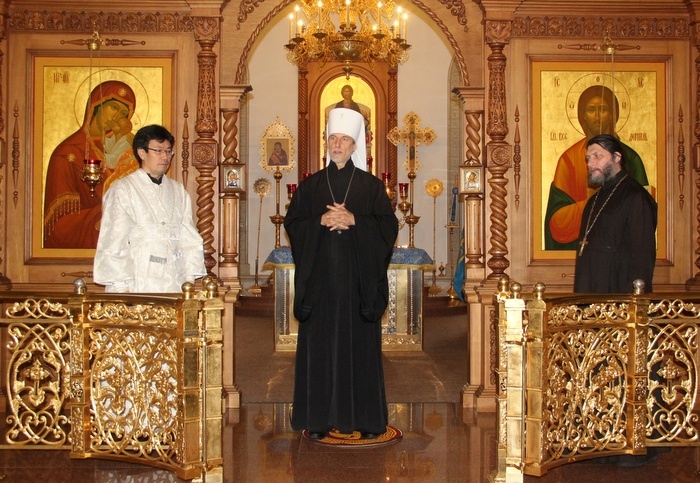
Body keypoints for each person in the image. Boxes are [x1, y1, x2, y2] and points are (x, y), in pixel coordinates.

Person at [284, 108, 398, 440]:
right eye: (332, 138)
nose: (337, 144)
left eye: (344, 139)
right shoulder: (310, 187)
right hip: (320, 285)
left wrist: (355, 221)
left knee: (359, 352)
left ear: (355, 145)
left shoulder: (371, 187)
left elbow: (388, 227)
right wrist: (320, 221)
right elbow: (294, 223)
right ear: (326, 142)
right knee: (319, 352)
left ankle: (366, 420)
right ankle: (317, 421)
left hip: (357, 286)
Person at [93, 125, 206, 293]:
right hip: (138, 279)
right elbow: (114, 240)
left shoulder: (178, 190)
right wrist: (121, 288)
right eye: (158, 150)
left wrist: (189, 278)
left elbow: (189, 236)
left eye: (168, 151)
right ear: (141, 152)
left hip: (175, 280)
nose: (165, 157)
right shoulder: (123, 189)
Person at [545, 85, 649, 250]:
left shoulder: (630, 158)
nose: (597, 116)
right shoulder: (569, 160)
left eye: (603, 109)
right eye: (591, 110)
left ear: (612, 115)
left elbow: (644, 214)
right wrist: (588, 204)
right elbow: (556, 224)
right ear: (583, 116)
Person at [44, 80, 138, 248]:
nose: (117, 117)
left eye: (124, 114)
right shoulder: (67, 153)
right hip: (87, 239)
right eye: (114, 107)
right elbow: (56, 226)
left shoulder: (123, 150)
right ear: (96, 105)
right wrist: (103, 214)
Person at [573, 134, 657, 293]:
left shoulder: (636, 196)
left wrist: (635, 300)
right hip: (590, 290)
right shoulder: (594, 200)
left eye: (597, 156)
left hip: (619, 294)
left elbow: (642, 256)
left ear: (617, 157)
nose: (590, 163)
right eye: (588, 158)